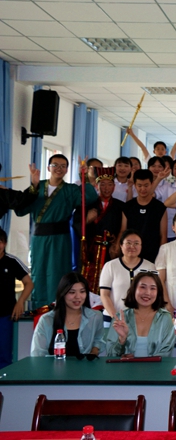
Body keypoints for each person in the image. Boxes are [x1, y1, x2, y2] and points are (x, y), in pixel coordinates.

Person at [16, 155, 98, 305]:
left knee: (58, 273)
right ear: (48, 168)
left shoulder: (70, 189)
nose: (59, 169)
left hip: (61, 238)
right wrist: (33, 186)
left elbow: (89, 197)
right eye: (55, 165)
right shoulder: (38, 186)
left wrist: (84, 176)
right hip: (39, 238)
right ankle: (39, 309)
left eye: (63, 166)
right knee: (39, 273)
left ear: (67, 170)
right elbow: (20, 209)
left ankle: (58, 308)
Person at [30, 273, 104, 357]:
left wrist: (94, 352)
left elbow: (98, 340)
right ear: (62, 293)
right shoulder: (46, 320)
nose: (78, 296)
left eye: (82, 291)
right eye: (72, 292)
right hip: (53, 365)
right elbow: (37, 354)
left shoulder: (95, 317)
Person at [104, 271, 176, 357]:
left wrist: (144, 364)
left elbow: (166, 353)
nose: (147, 293)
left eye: (153, 288)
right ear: (134, 289)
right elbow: (110, 354)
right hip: (125, 366)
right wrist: (121, 340)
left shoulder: (165, 317)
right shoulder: (120, 318)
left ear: (158, 293)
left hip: (155, 366)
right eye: (143, 287)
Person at [75, 167, 125, 284]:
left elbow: (124, 228)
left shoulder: (121, 206)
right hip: (90, 250)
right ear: (96, 186)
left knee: (110, 280)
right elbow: (76, 225)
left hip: (111, 250)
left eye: (109, 184)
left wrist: (117, 244)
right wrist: (87, 220)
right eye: (102, 184)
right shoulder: (87, 205)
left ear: (114, 186)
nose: (106, 188)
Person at [99, 230, 156, 321]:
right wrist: (116, 318)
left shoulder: (150, 267)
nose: (132, 246)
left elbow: (154, 295)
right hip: (112, 318)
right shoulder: (110, 266)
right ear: (121, 245)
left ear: (141, 246)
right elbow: (104, 295)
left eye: (136, 243)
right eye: (128, 243)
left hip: (141, 320)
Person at [0, 227, 33, 367]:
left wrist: (20, 302)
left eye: (0, 241)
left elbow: (29, 283)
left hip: (6, 315)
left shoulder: (11, 261)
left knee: (4, 355)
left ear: (5, 243)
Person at [120, 169, 167, 263]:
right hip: (131, 253)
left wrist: (162, 257)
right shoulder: (128, 206)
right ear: (135, 185)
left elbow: (163, 235)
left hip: (153, 254)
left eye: (146, 185)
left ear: (152, 184)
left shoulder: (160, 207)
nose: (143, 189)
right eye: (139, 186)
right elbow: (123, 231)